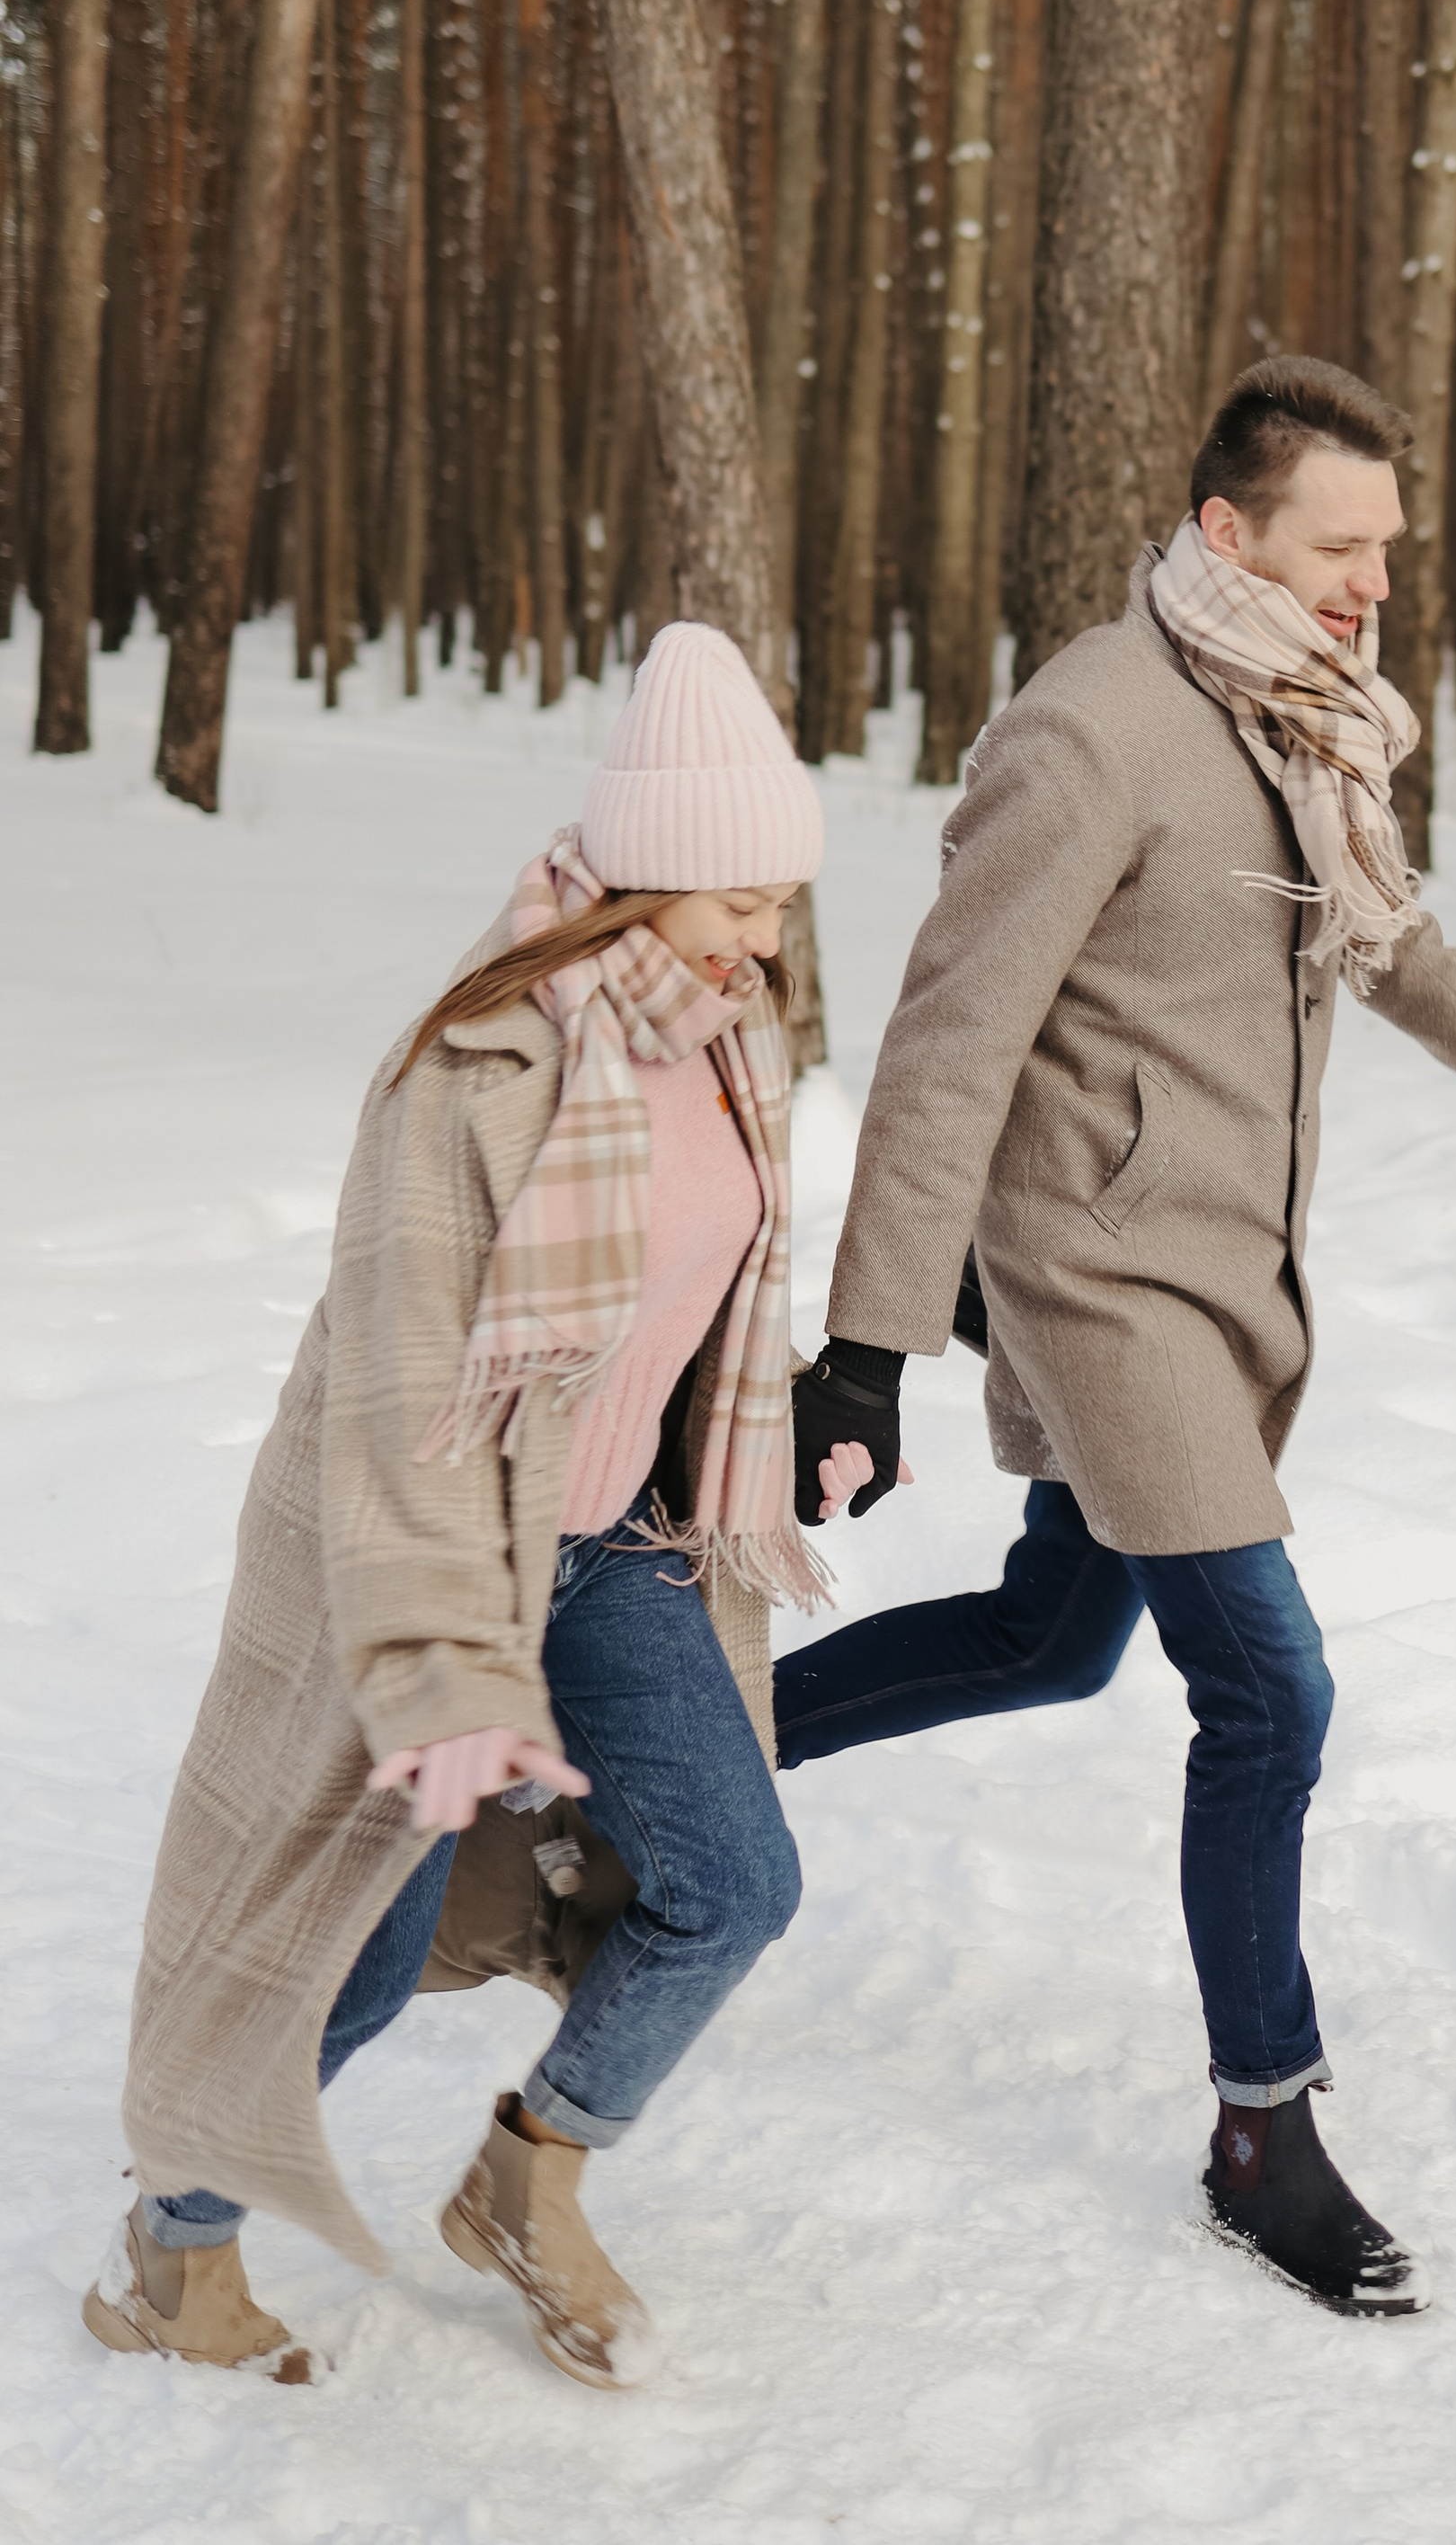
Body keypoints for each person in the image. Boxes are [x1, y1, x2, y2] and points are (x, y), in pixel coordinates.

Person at [776, 356, 1456, 2318]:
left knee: (1048, 1643)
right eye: (1341, 546)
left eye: (1388, 550)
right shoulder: (1090, 733)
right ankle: (1261, 2127)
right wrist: (869, 1341)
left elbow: (1371, 922)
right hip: (1099, 1276)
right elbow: (948, 1041)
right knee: (1271, 1695)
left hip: (1227, 1272)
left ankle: (672, 1764)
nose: (1373, 584)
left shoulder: (1300, 720)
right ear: (1228, 533)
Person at [86, 622, 888, 2389]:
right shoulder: (480, 1070)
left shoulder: (719, 1037)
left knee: (734, 1883)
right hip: (426, 1571)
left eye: (779, 908)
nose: (770, 944)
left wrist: (782, 1423)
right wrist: (444, 1673)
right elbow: (402, 1411)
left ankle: (532, 2180)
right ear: (651, 874)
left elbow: (704, 1279)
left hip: (613, 1550)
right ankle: (173, 2257)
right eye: (746, 902)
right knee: (343, 1963)